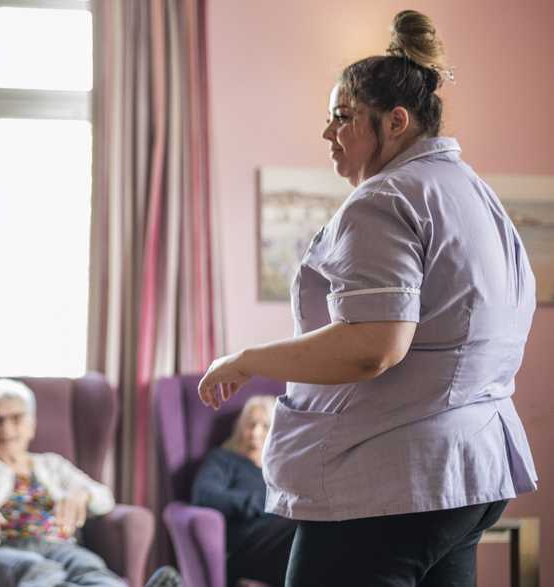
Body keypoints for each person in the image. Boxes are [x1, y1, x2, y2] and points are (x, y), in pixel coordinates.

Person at [197, 10, 537, 586]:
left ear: (396, 121)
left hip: (391, 480)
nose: (328, 133)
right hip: (467, 474)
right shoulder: (477, 195)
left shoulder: (384, 199)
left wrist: (245, 361)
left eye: (343, 117)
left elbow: (371, 346)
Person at [0, 378, 182, 587]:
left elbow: (104, 498)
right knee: (40, 571)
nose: (6, 428)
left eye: (16, 417)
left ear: (31, 425)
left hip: (60, 546)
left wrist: (82, 495)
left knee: (92, 569)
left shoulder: (52, 464)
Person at [191, 396, 295, 587]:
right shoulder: (223, 459)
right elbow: (204, 495)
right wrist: (259, 503)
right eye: (251, 424)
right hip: (245, 542)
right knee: (303, 529)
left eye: (265, 426)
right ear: (240, 428)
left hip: (280, 539)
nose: (255, 433)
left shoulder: (283, 468)